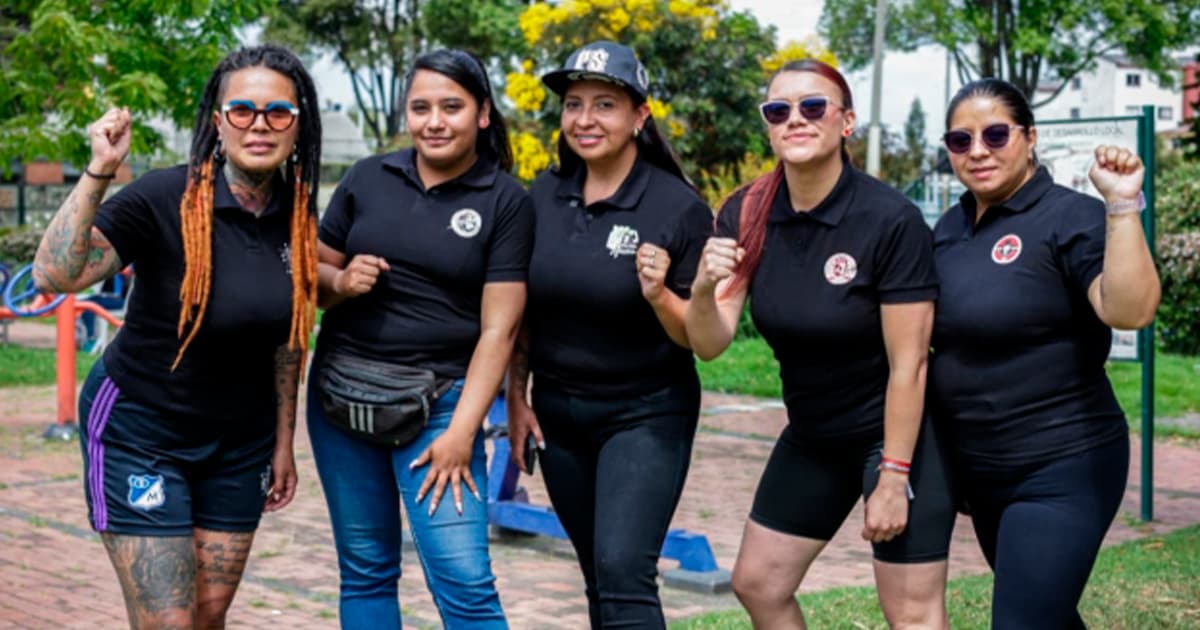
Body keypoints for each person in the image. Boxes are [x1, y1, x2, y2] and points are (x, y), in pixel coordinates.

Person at [32, 44, 321, 628]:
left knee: (208, 617)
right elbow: (55, 275)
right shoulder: (166, 197)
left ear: (298, 125)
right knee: (170, 622)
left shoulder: (298, 212)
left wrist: (284, 440)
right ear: (218, 122)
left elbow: (288, 338)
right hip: (143, 431)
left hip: (241, 445)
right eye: (242, 110)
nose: (259, 125)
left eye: (278, 114)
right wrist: (100, 170)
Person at [685, 59, 955, 629]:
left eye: (813, 106)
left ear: (846, 121)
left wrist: (893, 477)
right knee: (758, 584)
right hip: (814, 436)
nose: (795, 120)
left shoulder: (890, 219)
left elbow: (910, 364)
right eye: (778, 111)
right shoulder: (748, 211)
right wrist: (704, 290)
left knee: (911, 614)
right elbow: (709, 343)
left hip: (895, 436)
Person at [308, 49, 530, 629]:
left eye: (451, 107)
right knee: (365, 571)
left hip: (441, 408)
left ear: (483, 114)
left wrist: (462, 434)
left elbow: (499, 329)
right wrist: (341, 279)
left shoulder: (506, 201)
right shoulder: (367, 178)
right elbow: (314, 284)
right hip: (340, 398)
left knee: (465, 584)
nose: (435, 121)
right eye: (421, 107)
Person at [929, 78, 1160, 629]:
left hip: (1062, 465)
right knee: (1043, 616)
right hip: (982, 471)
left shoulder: (1069, 215)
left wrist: (1123, 204)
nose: (978, 150)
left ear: (1029, 138)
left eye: (995, 134)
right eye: (960, 141)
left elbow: (1128, 309)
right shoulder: (949, 227)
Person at [504, 40, 713, 629]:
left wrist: (660, 293)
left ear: (639, 116)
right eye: (573, 105)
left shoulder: (677, 208)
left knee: (624, 571)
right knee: (598, 574)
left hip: (644, 414)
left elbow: (698, 337)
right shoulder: (542, 196)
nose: (585, 120)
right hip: (559, 416)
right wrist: (517, 400)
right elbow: (522, 314)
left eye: (605, 105)